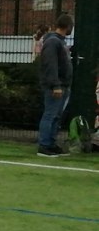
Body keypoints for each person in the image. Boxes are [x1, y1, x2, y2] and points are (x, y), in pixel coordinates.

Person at [35, 13, 75, 157]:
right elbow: (50, 64)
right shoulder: (53, 42)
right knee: (50, 114)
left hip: (62, 84)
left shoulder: (58, 42)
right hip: (57, 85)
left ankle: (51, 143)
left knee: (56, 115)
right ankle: (44, 145)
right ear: (68, 26)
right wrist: (55, 85)